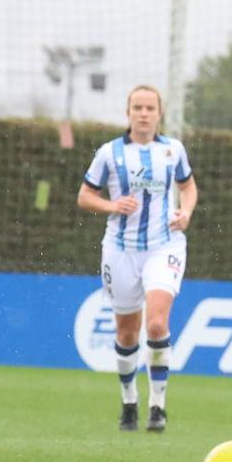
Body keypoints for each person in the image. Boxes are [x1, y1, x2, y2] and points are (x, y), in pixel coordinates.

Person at [77, 85, 198, 433]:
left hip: (165, 245)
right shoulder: (109, 153)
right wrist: (111, 206)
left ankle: (157, 405)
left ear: (159, 113)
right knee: (127, 332)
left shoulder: (173, 150)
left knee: (157, 324)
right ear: (128, 112)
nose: (144, 113)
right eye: (137, 107)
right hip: (120, 249)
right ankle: (129, 400)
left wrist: (185, 212)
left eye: (150, 108)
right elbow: (85, 196)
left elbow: (188, 186)